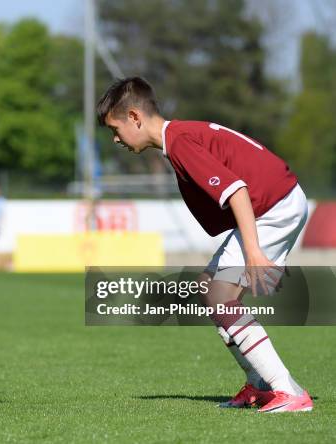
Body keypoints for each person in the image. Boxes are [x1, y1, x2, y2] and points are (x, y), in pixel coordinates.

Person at [96, 77, 312, 413]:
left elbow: (237, 191)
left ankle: (288, 391)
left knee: (221, 297)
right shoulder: (178, 137)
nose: (115, 138)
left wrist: (253, 252)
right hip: (275, 202)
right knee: (208, 287)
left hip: (274, 206)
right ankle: (259, 385)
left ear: (135, 117)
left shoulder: (180, 142)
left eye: (116, 127)